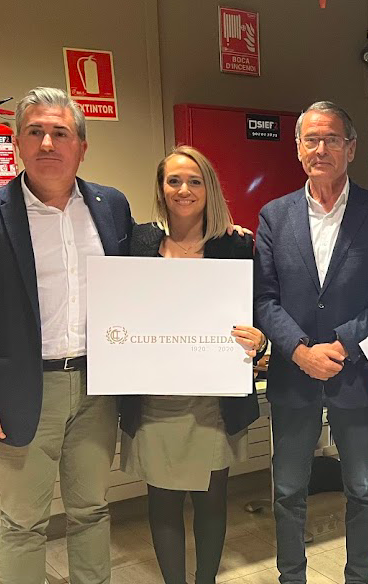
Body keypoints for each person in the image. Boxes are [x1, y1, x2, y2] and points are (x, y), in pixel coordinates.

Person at [0, 87, 133, 584]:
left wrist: (222, 236)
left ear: (81, 147)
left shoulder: (111, 206)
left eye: (60, 133)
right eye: (36, 132)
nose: (48, 143)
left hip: (96, 388)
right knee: (23, 521)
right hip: (22, 392)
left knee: (92, 509)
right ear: (18, 144)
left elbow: (143, 277)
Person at [254, 101, 368, 584]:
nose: (321, 149)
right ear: (298, 148)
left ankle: (359, 578)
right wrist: (299, 351)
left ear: (351, 148)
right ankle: (291, 578)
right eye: (311, 140)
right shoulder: (274, 216)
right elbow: (264, 300)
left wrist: (341, 344)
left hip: (354, 374)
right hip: (293, 376)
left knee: (361, 490)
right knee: (287, 492)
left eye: (332, 140)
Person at [118, 146, 264, 584]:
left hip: (212, 399)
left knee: (211, 498)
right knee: (162, 500)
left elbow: (259, 309)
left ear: (209, 188)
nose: (184, 190)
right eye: (174, 181)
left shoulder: (236, 245)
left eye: (195, 181)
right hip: (154, 399)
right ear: (161, 188)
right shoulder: (138, 243)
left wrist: (260, 341)